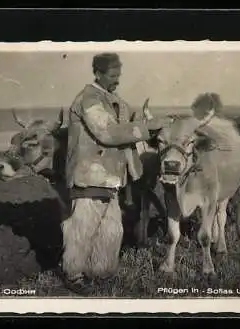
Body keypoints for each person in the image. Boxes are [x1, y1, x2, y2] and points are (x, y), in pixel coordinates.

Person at [61, 52, 170, 294]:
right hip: (90, 174)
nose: (117, 80)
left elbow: (123, 124)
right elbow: (107, 133)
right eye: (112, 76)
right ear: (98, 73)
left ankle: (101, 272)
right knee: (84, 226)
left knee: (111, 228)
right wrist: (147, 127)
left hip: (109, 177)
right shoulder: (89, 99)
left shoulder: (110, 99)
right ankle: (73, 274)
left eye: (118, 75)